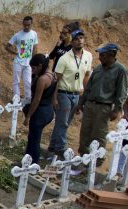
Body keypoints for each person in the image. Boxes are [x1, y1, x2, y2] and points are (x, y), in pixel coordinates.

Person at [77, 43, 128, 160]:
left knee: (99, 134)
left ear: (112, 55)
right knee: (85, 132)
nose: (100, 58)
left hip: (104, 107)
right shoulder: (98, 68)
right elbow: (89, 87)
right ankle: (84, 157)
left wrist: (117, 109)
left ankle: (97, 159)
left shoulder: (120, 70)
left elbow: (121, 92)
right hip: (90, 104)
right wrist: (81, 102)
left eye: (103, 55)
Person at [48, 29, 92, 158]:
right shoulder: (64, 58)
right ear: (72, 42)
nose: (79, 41)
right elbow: (57, 79)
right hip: (63, 93)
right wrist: (54, 98)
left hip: (76, 93)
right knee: (63, 122)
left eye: (81, 38)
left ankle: (52, 145)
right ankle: (61, 148)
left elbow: (87, 75)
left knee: (66, 121)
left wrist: (85, 94)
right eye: (76, 39)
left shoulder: (88, 56)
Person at [22, 54, 56, 164]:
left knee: (34, 139)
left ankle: (31, 163)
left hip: (40, 112)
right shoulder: (52, 75)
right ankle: (30, 160)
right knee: (35, 137)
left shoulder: (42, 79)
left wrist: (28, 116)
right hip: (48, 110)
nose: (32, 71)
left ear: (40, 66)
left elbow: (36, 100)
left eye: (33, 68)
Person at [5, 16, 39, 104]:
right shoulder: (17, 35)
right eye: (25, 25)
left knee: (28, 81)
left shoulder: (34, 34)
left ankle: (28, 99)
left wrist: (34, 60)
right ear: (22, 24)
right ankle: (16, 98)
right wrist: (15, 53)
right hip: (18, 62)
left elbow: (35, 47)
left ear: (31, 24)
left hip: (29, 63)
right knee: (16, 81)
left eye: (28, 25)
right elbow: (7, 46)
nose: (26, 27)